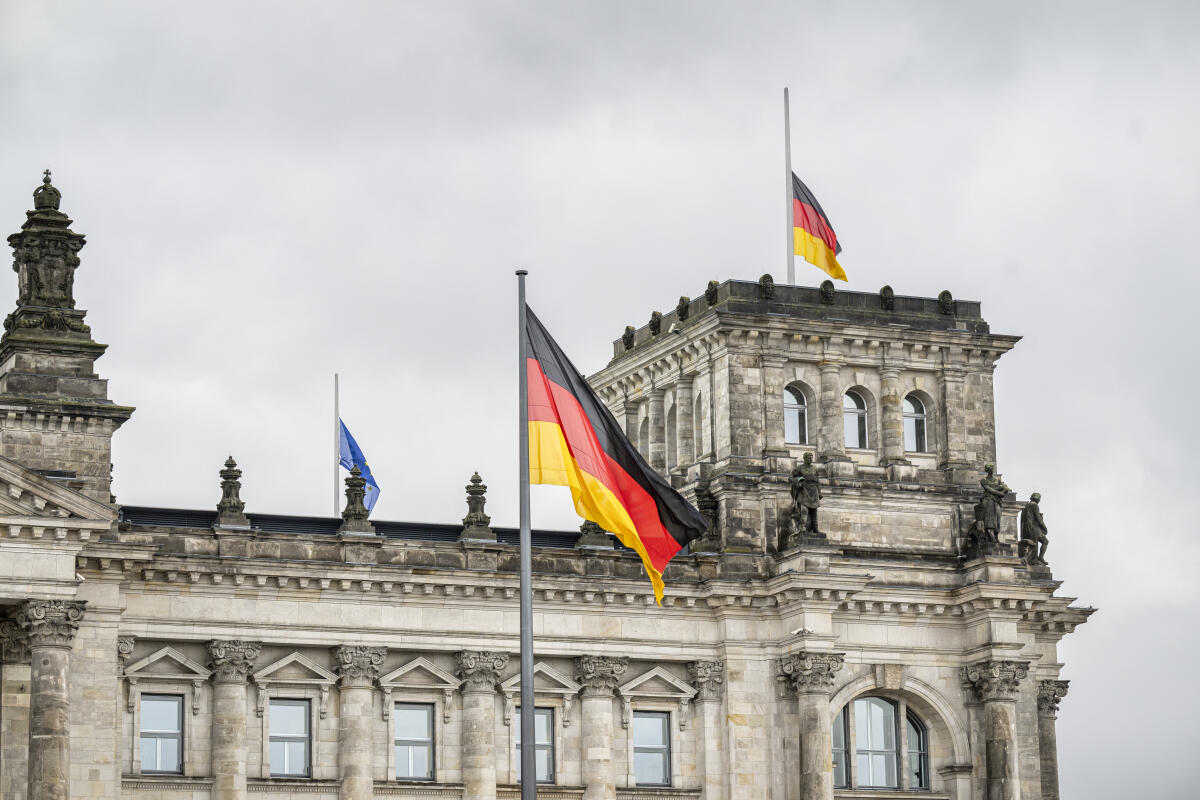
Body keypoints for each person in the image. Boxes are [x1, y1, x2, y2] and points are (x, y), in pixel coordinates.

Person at [790, 452, 821, 534]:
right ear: (804, 458)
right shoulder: (800, 468)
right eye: (809, 458)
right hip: (804, 490)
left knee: (814, 511)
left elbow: (817, 481)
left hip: (814, 491)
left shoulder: (814, 468)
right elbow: (791, 477)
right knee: (804, 510)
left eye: (811, 458)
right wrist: (798, 482)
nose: (811, 459)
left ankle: (815, 528)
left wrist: (820, 492)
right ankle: (802, 527)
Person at [977, 463, 1009, 541]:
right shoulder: (984, 480)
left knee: (998, 518)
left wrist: (1002, 489)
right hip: (988, 500)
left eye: (992, 468)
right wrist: (1000, 492)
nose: (991, 470)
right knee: (989, 518)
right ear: (987, 470)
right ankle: (990, 534)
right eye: (989, 469)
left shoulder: (997, 480)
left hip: (997, 501)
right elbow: (989, 489)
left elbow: (1006, 488)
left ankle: (996, 535)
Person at [1019, 492, 1049, 565]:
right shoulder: (1034, 505)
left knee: (1033, 544)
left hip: (1026, 528)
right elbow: (1038, 519)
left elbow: (1022, 520)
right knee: (1044, 542)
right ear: (1038, 499)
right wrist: (1044, 527)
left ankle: (1034, 558)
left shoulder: (1025, 506)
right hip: (1033, 527)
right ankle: (1037, 559)